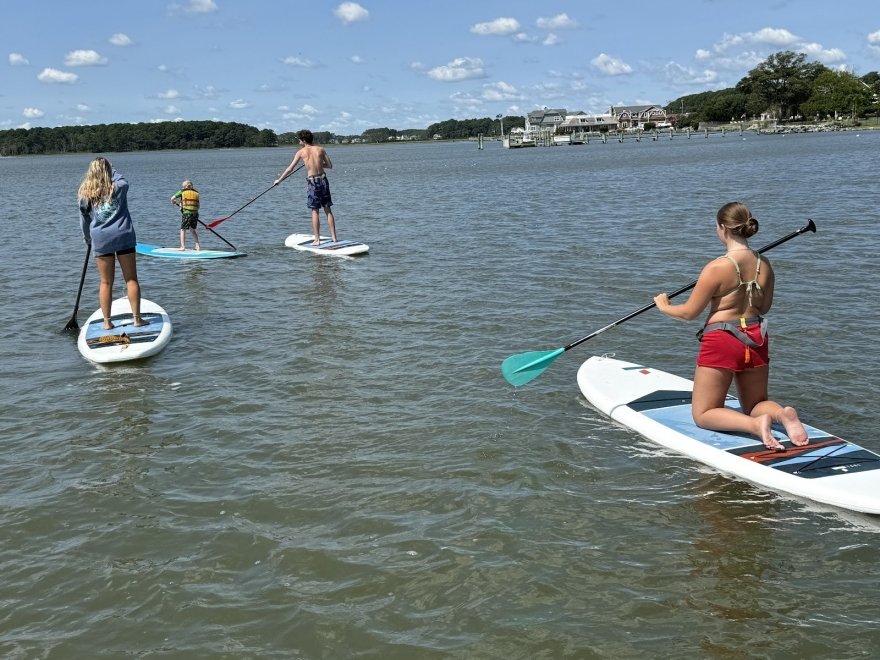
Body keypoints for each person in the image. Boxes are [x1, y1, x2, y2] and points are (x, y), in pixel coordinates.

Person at [653, 202, 808, 452]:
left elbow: (689, 313)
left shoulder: (717, 267)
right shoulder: (764, 264)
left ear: (723, 228)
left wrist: (663, 306)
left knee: (704, 413)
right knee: (757, 401)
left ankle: (755, 425)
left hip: (723, 338)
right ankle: (782, 414)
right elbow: (764, 307)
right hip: (757, 336)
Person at [77, 157, 148, 330]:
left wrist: (87, 239)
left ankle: (107, 323)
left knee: (105, 282)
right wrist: (112, 168)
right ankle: (137, 319)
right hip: (123, 234)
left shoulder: (85, 193)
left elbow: (84, 221)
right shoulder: (120, 187)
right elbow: (122, 179)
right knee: (131, 279)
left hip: (101, 238)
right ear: (109, 171)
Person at [274, 129, 337, 245]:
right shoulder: (320, 149)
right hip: (323, 180)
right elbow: (329, 165)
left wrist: (279, 180)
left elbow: (290, 169)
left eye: (299, 140)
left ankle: (317, 239)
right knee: (327, 209)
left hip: (312, 182)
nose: (299, 142)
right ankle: (334, 237)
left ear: (303, 140)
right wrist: (317, 163)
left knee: (315, 210)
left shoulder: (301, 152)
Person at [170, 179, 201, 251]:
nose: (182, 188)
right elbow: (198, 206)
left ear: (185, 187)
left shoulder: (182, 192)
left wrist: (173, 202)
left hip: (187, 213)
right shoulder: (196, 193)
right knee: (193, 229)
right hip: (195, 214)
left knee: (183, 230)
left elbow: (172, 198)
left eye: (182, 187)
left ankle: (182, 247)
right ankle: (198, 246)